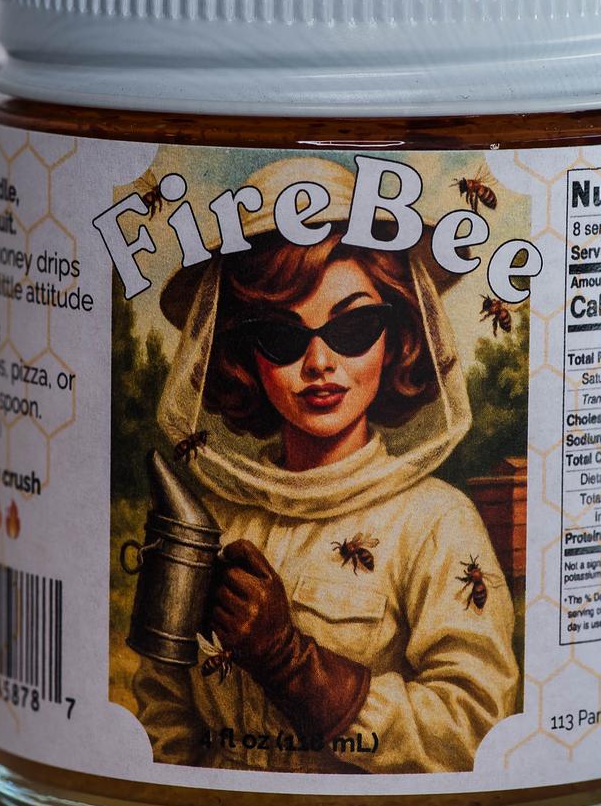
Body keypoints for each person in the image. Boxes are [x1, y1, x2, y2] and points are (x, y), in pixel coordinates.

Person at [134, 157, 518, 774]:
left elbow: (473, 728)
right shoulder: (211, 519)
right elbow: (163, 712)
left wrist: (291, 662)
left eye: (354, 327)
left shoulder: (436, 523)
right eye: (282, 337)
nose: (318, 362)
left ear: (397, 338)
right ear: (243, 355)